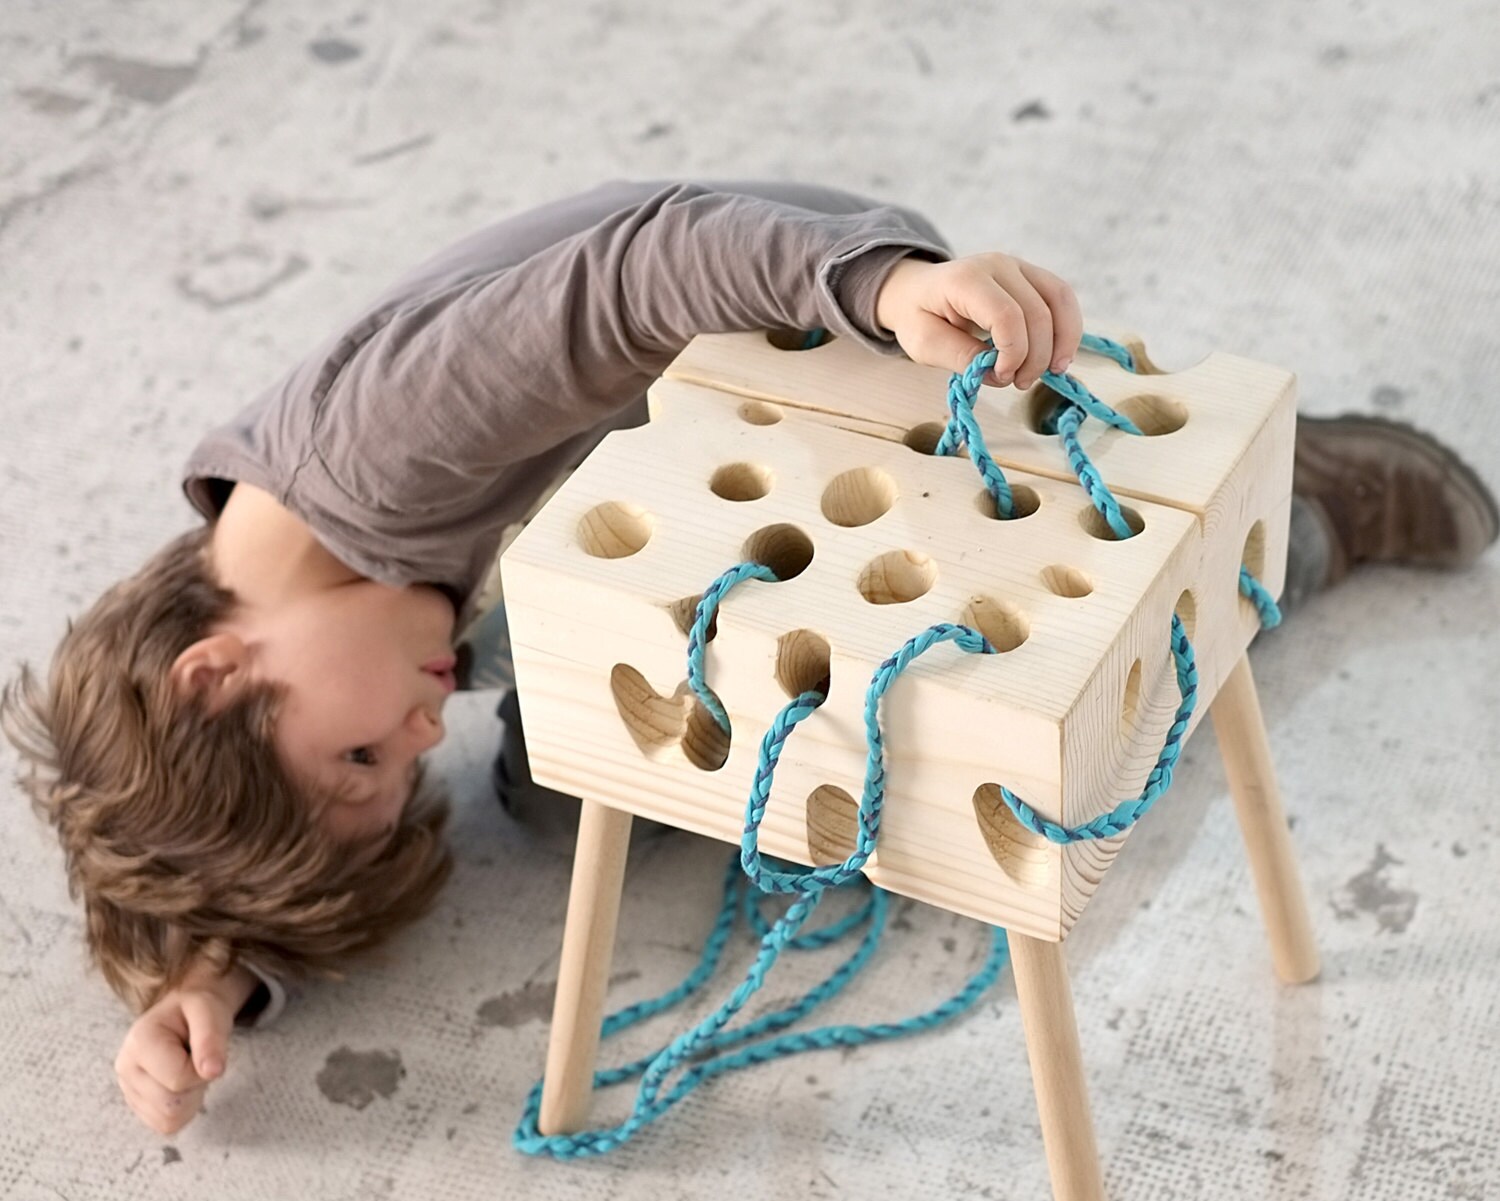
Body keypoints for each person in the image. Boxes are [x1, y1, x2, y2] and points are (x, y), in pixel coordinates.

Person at [3, 182, 1494, 1138]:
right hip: (625, 485)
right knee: (554, 789)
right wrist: (214, 969)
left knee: (1000, 672)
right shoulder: (293, 579)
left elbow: (638, 265)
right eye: (393, 772)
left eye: (359, 755)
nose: (422, 729)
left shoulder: (384, 451)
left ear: (212, 674)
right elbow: (169, 809)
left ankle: (1303, 515)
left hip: (789, 310)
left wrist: (880, 283)